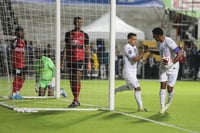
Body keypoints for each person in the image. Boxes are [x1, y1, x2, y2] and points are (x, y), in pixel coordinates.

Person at [61, 17, 91, 108]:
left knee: (77, 78)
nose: (78, 23)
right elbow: (65, 48)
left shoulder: (85, 35)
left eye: (80, 21)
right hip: (70, 60)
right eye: (76, 21)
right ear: (73, 22)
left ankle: (76, 99)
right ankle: (75, 99)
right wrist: (62, 61)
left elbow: (87, 49)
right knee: (71, 80)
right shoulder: (68, 34)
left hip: (80, 59)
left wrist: (88, 62)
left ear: (82, 23)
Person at [115, 33, 149, 112]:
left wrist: (142, 60)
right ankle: (140, 107)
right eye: (133, 39)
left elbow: (137, 59)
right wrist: (144, 53)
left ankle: (115, 90)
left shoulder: (135, 48)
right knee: (138, 88)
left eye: (135, 39)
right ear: (129, 40)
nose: (135, 41)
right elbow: (134, 59)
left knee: (130, 88)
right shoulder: (128, 47)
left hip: (133, 72)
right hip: (128, 72)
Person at [152, 27, 183, 113]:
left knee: (169, 88)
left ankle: (168, 103)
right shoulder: (158, 42)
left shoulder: (169, 41)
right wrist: (151, 51)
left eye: (154, 36)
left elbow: (179, 53)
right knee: (162, 86)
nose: (153, 37)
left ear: (158, 35)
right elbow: (160, 52)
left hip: (173, 66)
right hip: (163, 65)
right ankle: (162, 107)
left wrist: (172, 63)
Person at [11, 26, 26, 99]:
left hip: (22, 63)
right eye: (21, 32)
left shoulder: (22, 40)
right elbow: (13, 49)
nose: (23, 33)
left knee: (23, 77)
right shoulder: (16, 40)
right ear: (17, 33)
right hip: (17, 63)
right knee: (17, 78)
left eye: (23, 32)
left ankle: (17, 92)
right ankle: (14, 93)